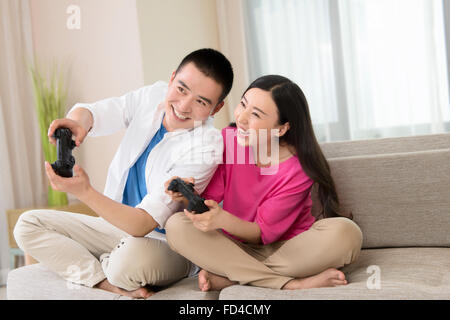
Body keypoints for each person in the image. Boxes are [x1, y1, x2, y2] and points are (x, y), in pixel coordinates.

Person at [13, 48, 233, 298]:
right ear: (172, 78)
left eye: (201, 102)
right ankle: (102, 282)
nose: (183, 106)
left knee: (127, 262)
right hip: (111, 229)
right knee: (27, 225)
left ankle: (104, 265)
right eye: (181, 89)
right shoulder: (153, 96)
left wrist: (84, 192)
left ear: (216, 108)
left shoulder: (208, 144)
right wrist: (78, 122)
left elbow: (142, 224)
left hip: (163, 245)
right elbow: (99, 112)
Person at [164, 75, 363, 291]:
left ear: (281, 128)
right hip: (233, 248)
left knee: (346, 232)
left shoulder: (297, 170)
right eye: (243, 104)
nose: (241, 118)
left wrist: (222, 219)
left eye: (256, 114)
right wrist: (187, 195)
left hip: (285, 249)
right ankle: (290, 284)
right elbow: (209, 200)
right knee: (176, 225)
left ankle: (237, 276)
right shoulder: (229, 140)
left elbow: (261, 234)